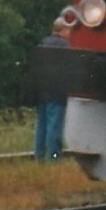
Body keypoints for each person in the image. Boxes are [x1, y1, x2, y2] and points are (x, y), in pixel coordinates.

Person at [33, 18, 73, 161]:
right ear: (64, 30)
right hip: (57, 91)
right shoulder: (65, 45)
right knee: (54, 126)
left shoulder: (44, 42)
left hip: (42, 89)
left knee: (41, 125)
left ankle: (39, 156)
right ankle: (54, 157)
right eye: (69, 30)